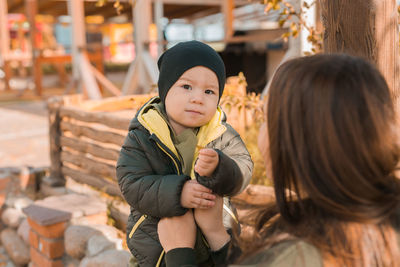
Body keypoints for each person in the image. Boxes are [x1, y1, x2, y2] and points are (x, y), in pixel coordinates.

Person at [157, 53, 400, 266]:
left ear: (298, 139)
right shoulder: (383, 221)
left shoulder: (296, 256)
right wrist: (217, 235)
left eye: (265, 119)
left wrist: (179, 252)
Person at [116, 40, 253, 267]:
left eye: (209, 91)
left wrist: (220, 167)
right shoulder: (144, 134)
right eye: (187, 87)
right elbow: (131, 181)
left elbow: (244, 168)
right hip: (159, 249)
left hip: (214, 248)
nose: (198, 98)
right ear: (166, 89)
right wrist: (178, 193)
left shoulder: (221, 133)